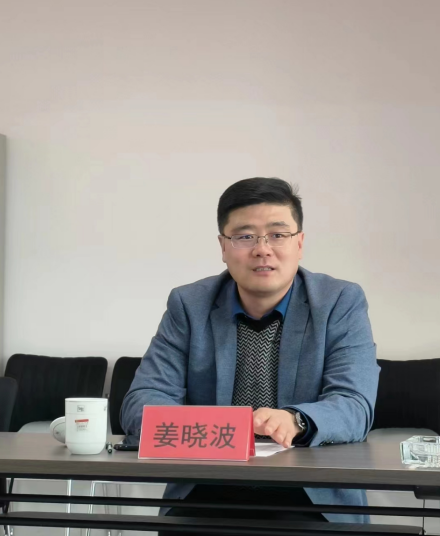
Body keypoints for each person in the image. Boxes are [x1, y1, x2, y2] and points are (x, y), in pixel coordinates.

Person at [121, 177, 380, 530]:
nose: (262, 249)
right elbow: (142, 402)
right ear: (223, 247)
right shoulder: (189, 304)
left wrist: (296, 420)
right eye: (245, 237)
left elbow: (354, 404)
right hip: (208, 486)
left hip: (310, 494)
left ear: (300, 243)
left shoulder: (339, 302)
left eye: (278, 234)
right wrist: (220, 432)